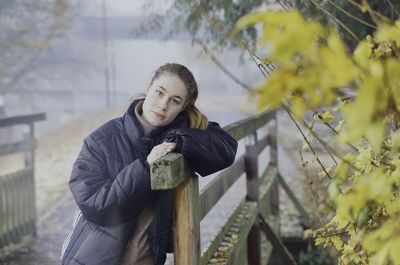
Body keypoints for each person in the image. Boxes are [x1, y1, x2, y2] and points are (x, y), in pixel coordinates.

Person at [60, 63, 238, 265]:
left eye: (175, 101)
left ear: (183, 107)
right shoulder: (102, 139)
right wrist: (146, 168)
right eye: (159, 93)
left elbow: (226, 148)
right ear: (148, 88)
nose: (163, 105)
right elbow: (95, 204)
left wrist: (178, 140)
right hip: (92, 257)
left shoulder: (177, 132)